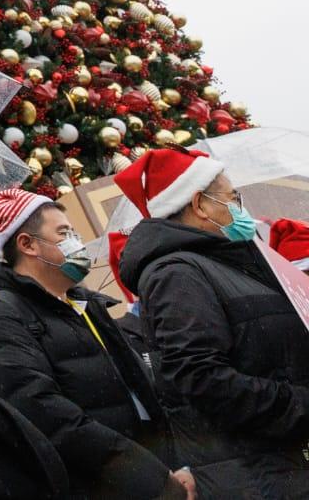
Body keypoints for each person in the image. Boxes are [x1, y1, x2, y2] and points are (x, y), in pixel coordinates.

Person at [0, 187, 187, 500]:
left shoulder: (85, 305)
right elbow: (49, 421)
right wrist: (150, 477)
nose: (77, 243)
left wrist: (174, 465)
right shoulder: (1, 319)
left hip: (153, 473)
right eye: (64, 234)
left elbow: (139, 388)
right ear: (27, 244)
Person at [118, 146, 309, 497]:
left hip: (282, 464)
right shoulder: (176, 274)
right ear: (200, 205)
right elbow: (201, 377)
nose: (239, 207)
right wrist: (298, 403)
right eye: (232, 197)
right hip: (255, 476)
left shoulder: (225, 262)